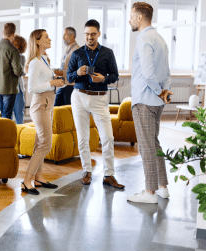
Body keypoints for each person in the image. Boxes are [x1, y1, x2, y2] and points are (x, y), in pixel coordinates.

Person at [66, 19, 124, 189]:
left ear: (98, 34)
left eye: (93, 34)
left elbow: (115, 75)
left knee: (108, 137)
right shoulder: (77, 54)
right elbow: (68, 77)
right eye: (86, 34)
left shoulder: (107, 53)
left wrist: (103, 78)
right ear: (83, 35)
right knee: (83, 138)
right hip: (79, 97)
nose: (89, 37)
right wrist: (77, 72)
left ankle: (109, 174)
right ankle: (86, 171)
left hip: (99, 98)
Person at [127, 2, 173, 204]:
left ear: (139, 17)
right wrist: (163, 92)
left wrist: (158, 91)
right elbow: (167, 71)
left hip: (145, 100)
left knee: (146, 146)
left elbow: (147, 73)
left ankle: (150, 192)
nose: (129, 20)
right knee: (154, 143)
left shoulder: (144, 39)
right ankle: (162, 187)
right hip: (156, 101)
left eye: (131, 16)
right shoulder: (160, 39)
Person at [21, 29, 64, 195]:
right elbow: (31, 89)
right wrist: (51, 82)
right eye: (46, 37)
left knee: (40, 144)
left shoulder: (44, 59)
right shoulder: (34, 62)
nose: (50, 39)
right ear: (37, 41)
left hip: (48, 103)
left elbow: (45, 81)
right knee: (46, 143)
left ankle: (38, 177)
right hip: (40, 105)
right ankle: (26, 180)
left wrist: (55, 81)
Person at [0, 23, 23, 119]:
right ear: (13, 35)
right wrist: (23, 70)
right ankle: (6, 134)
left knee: (3, 113)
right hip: (9, 87)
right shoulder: (13, 50)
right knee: (7, 116)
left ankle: (2, 133)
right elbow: (18, 71)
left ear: (3, 32)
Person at [54, 27, 80, 107]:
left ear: (72, 36)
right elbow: (65, 65)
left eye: (65, 35)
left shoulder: (77, 51)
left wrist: (63, 72)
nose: (62, 37)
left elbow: (78, 70)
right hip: (63, 84)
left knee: (68, 111)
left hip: (71, 85)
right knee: (56, 109)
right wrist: (59, 70)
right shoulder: (65, 49)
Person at [12, 35, 27, 125]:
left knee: (19, 112)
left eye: (16, 44)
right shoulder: (7, 55)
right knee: (8, 113)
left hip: (18, 88)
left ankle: (20, 132)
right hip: (8, 88)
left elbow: (23, 72)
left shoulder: (22, 57)